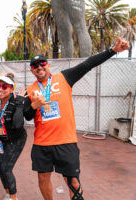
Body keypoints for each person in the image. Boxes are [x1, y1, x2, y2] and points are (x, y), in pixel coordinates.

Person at [25, 38, 129, 200]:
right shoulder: (29, 90)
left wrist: (112, 51)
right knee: (43, 178)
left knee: (73, 181)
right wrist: (33, 106)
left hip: (66, 141)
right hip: (42, 143)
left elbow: (88, 64)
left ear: (48, 65)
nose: (39, 67)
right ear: (32, 71)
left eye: (42, 64)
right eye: (35, 66)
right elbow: (27, 116)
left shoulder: (64, 77)